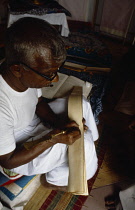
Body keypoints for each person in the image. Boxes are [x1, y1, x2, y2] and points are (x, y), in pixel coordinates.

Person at [0, 17, 98, 190]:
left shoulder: (21, 76)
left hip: (31, 122)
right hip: (18, 149)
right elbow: (8, 161)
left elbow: (38, 103)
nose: (56, 78)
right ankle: (53, 181)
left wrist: (58, 122)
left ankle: (89, 142)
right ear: (17, 69)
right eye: (49, 74)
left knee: (80, 103)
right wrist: (53, 137)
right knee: (82, 144)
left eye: (56, 71)